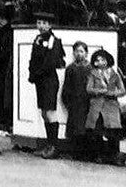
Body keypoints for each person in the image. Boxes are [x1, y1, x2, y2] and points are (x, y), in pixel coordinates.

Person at [27, 11, 66, 158]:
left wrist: (37, 73)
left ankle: (54, 146)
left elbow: (50, 62)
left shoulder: (53, 40)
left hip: (49, 79)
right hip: (40, 80)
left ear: (50, 25)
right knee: (44, 112)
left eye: (44, 23)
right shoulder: (38, 38)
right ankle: (49, 143)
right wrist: (32, 74)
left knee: (50, 112)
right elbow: (33, 58)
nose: (41, 26)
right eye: (39, 23)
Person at [84, 48, 125, 165]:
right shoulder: (93, 74)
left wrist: (113, 93)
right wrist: (100, 91)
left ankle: (114, 155)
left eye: (103, 59)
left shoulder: (115, 74)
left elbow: (122, 90)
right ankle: (99, 154)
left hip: (111, 106)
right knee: (97, 131)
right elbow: (88, 88)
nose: (100, 62)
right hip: (97, 105)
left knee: (113, 132)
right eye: (97, 60)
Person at [60, 41, 92, 159]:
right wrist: (68, 102)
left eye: (81, 51)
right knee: (75, 128)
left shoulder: (90, 68)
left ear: (86, 53)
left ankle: (87, 153)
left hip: (87, 102)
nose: (79, 54)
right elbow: (66, 87)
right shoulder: (71, 69)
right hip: (75, 102)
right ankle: (76, 153)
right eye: (76, 51)